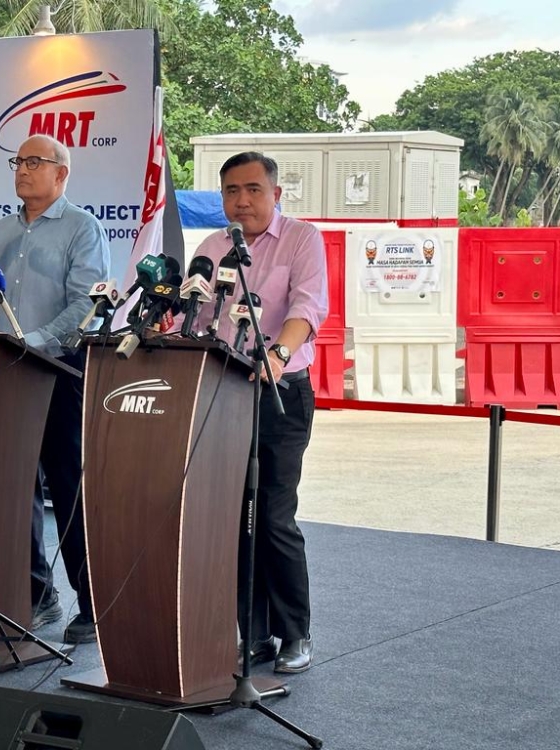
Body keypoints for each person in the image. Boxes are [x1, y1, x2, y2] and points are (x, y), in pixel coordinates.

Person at [0, 134, 110, 644]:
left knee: (68, 489)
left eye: (34, 162)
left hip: (58, 372)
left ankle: (92, 605)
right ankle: (34, 595)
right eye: (18, 161)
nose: (22, 170)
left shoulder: (82, 228)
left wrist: (36, 343)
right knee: (10, 488)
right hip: (2, 373)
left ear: (61, 173)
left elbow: (85, 304)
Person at [190, 151, 328, 673]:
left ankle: (296, 633)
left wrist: (278, 354)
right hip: (220, 395)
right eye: (230, 191)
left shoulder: (302, 239)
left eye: (252, 189)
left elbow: (307, 308)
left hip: (279, 394)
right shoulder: (211, 246)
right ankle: (255, 633)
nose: (241, 200)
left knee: (271, 516)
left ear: (275, 193)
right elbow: (197, 314)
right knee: (234, 520)